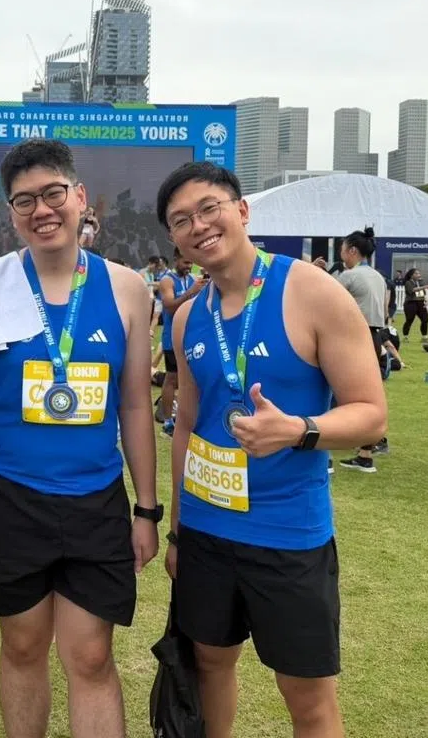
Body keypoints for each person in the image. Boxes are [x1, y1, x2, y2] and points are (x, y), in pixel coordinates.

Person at [158, 161, 387, 738]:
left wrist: (299, 430)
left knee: (307, 695)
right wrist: (179, 532)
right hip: (208, 532)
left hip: (288, 534)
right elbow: (185, 426)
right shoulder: (188, 317)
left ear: (241, 210)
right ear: (175, 238)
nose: (198, 226)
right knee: (210, 665)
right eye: (181, 220)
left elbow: (371, 413)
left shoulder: (312, 291)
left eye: (209, 208)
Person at [0, 139, 159, 738]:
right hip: (9, 496)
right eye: (24, 201)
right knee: (22, 646)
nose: (41, 210)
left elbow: (136, 404)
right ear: (11, 213)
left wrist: (146, 508)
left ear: (80, 198)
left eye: (53, 194)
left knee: (90, 656)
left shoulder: (126, 289)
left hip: (94, 499)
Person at [332, 228, 391, 472]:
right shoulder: (377, 276)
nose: (341, 253)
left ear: (352, 250)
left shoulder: (349, 276)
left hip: (353, 336)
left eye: (343, 248)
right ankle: (366, 454)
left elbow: (321, 297)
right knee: (368, 396)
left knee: (330, 388)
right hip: (375, 336)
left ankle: (324, 458)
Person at [157, 249, 205, 428]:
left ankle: (189, 418)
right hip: (172, 339)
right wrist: (191, 292)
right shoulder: (167, 281)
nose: (188, 267)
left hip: (192, 338)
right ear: (176, 259)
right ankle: (168, 421)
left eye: (191, 263)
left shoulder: (193, 279)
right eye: (185, 263)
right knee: (172, 379)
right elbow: (169, 307)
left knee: (193, 380)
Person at [402, 267, 428, 341]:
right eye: (416, 273)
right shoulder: (408, 282)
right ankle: (405, 336)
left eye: (419, 273)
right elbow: (412, 290)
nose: (418, 275)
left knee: (425, 319)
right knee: (409, 320)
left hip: (420, 302)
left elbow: (421, 293)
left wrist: (425, 299)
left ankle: (424, 337)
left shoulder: (420, 282)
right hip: (411, 303)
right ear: (411, 275)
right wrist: (425, 286)